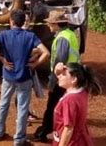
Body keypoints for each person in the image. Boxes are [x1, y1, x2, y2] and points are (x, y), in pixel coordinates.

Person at [0, 9, 50, 145]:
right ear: (22, 22)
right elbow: (46, 53)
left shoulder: (4, 35)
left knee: (3, 104)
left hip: (8, 77)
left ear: (11, 22)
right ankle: (19, 139)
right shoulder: (30, 36)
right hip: (24, 77)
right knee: (22, 107)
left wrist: (2, 59)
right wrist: (35, 64)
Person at [34, 10, 81, 143]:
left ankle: (43, 132)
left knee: (52, 107)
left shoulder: (61, 39)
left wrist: (52, 83)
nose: (48, 25)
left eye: (50, 23)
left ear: (56, 24)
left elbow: (59, 62)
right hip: (72, 77)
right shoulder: (69, 34)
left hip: (63, 78)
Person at [52, 62, 102, 145]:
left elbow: (68, 129)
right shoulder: (82, 90)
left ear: (74, 79)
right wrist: (57, 71)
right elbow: (64, 81)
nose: (59, 76)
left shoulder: (69, 100)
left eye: (63, 74)